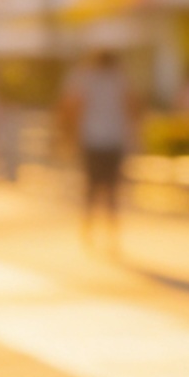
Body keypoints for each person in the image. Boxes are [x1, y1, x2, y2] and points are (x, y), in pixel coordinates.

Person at [60, 50, 138, 250]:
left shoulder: (85, 78)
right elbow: (132, 107)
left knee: (91, 187)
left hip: (91, 138)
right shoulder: (120, 79)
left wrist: (70, 136)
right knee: (112, 190)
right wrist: (133, 136)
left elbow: (72, 107)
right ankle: (111, 233)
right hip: (114, 139)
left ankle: (88, 229)